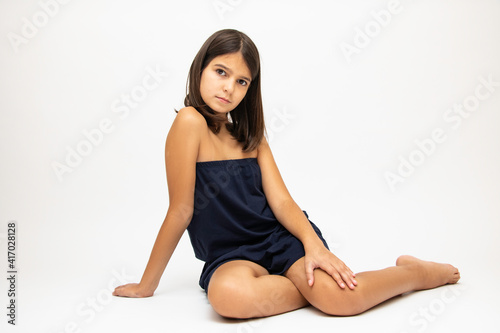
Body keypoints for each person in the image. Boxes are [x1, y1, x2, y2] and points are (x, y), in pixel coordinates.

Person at [112, 29, 460, 319]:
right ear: (200, 68)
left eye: (242, 81)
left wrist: (313, 246)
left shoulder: (250, 136)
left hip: (279, 240)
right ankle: (316, 292)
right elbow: (181, 210)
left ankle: (416, 273)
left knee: (344, 301)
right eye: (220, 72)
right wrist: (147, 285)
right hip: (229, 255)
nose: (229, 88)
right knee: (228, 297)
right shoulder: (189, 122)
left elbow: (281, 201)